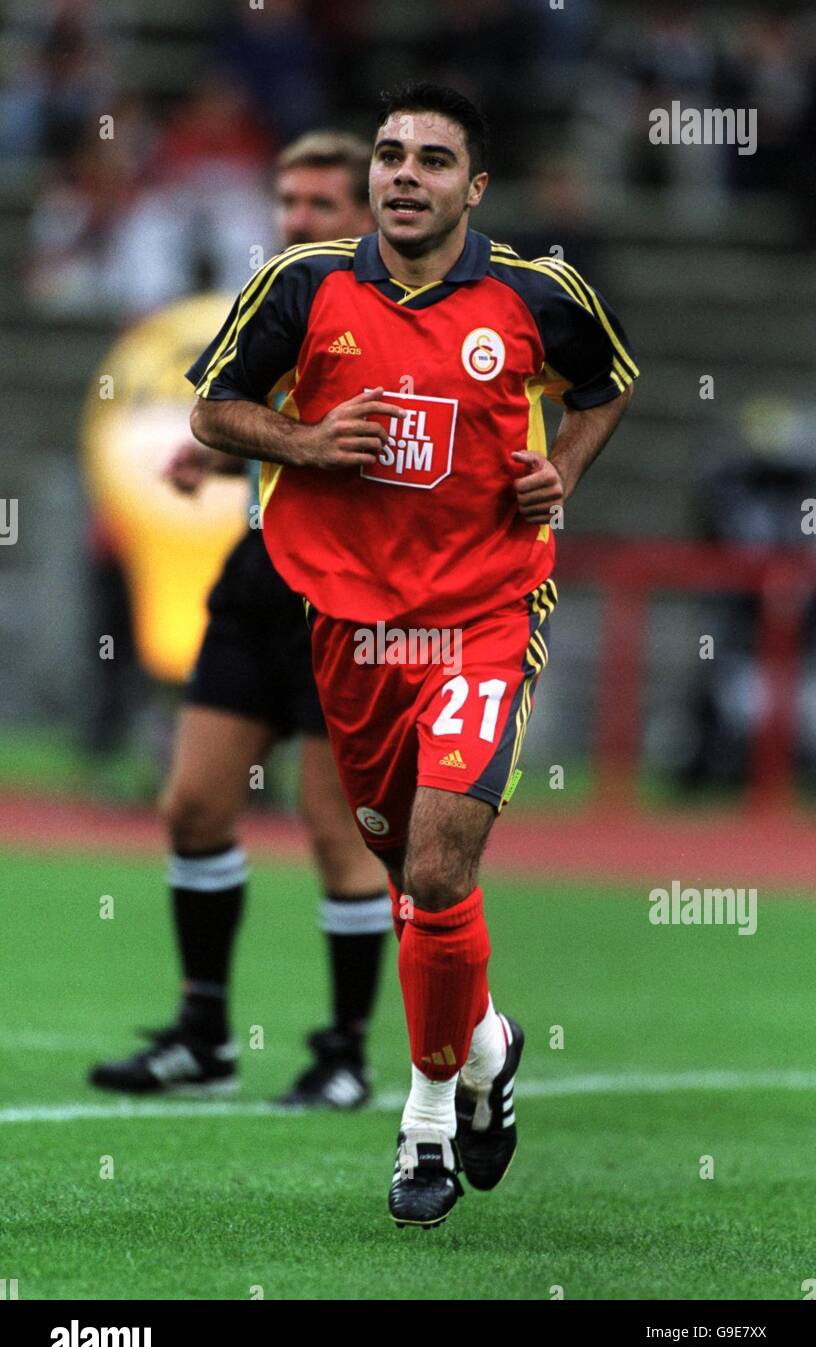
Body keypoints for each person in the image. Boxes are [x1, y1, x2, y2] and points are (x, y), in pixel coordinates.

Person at [188, 83, 639, 1227]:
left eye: (432, 160)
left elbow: (607, 385)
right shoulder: (304, 287)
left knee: (440, 872)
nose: (403, 174)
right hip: (353, 630)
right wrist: (305, 439)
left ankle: (427, 1120)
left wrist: (564, 476)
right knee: (413, 891)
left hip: (485, 614)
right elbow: (212, 409)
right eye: (390, 154)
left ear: (473, 187)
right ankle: (487, 1050)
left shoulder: (538, 296)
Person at [89, 132, 392, 1110]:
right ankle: (205, 1033)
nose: (295, 221)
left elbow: (375, 450)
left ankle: (343, 1052)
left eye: (318, 204)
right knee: (194, 804)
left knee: (333, 830)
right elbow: (259, 416)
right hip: (260, 568)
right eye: (287, 202)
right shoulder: (282, 301)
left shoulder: (397, 321)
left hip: (348, 590)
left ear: (369, 212)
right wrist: (219, 459)